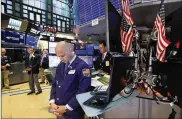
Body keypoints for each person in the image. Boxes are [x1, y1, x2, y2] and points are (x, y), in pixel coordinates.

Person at [49, 41, 91, 119]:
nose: (61, 59)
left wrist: (66, 108)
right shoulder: (60, 66)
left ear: (70, 49)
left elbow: (83, 90)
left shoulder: (84, 67)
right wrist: (52, 101)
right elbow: (55, 84)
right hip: (59, 110)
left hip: (73, 113)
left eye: (62, 56)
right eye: (59, 56)